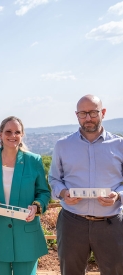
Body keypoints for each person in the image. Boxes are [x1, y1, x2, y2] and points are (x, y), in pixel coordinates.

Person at [49, 94, 123, 274]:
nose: (88, 118)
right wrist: (63, 193)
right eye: (83, 113)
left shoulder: (120, 144)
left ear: (103, 112)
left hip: (111, 224)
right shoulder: (63, 145)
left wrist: (119, 195)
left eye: (93, 112)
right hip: (72, 222)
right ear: (77, 115)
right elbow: (54, 179)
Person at [0, 116, 50, 275]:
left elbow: (43, 192)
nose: (12, 135)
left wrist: (36, 207)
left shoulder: (34, 161)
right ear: (0, 134)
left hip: (27, 236)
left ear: (22, 135)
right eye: (8, 131)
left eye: (17, 132)